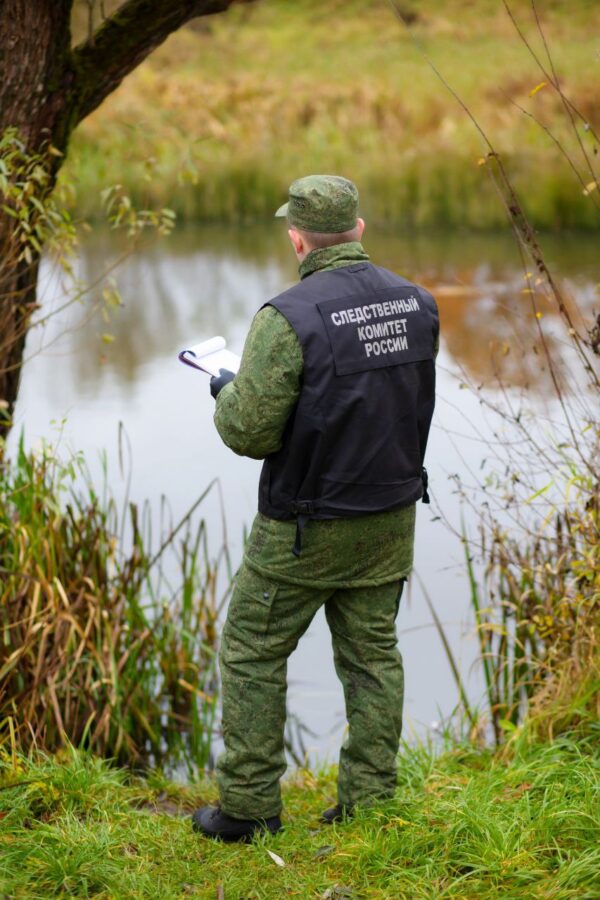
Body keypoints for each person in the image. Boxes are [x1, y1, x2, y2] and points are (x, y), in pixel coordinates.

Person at [192, 175, 439, 842]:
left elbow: (249, 432)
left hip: (305, 526)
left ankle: (247, 809)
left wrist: (225, 388)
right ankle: (371, 800)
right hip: (391, 517)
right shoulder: (418, 305)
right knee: (373, 657)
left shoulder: (288, 317)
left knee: (251, 650)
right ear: (359, 230)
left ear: (297, 238)